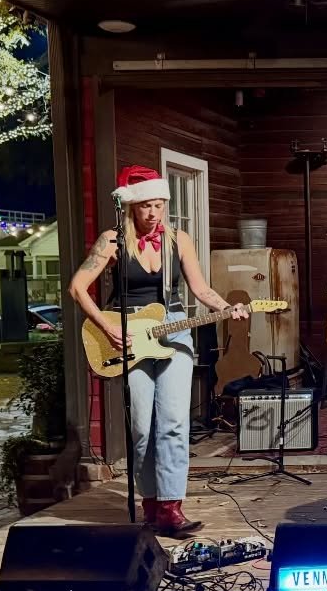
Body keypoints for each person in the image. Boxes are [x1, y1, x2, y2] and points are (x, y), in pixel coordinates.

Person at [68, 165, 248, 538]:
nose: (154, 213)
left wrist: (226, 308)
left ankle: (171, 508)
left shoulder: (178, 239)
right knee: (142, 428)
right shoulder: (112, 241)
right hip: (130, 333)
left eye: (160, 205)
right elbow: (77, 288)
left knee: (174, 424)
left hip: (173, 328)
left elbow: (200, 288)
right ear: (132, 207)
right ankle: (149, 503)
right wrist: (109, 327)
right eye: (146, 206)